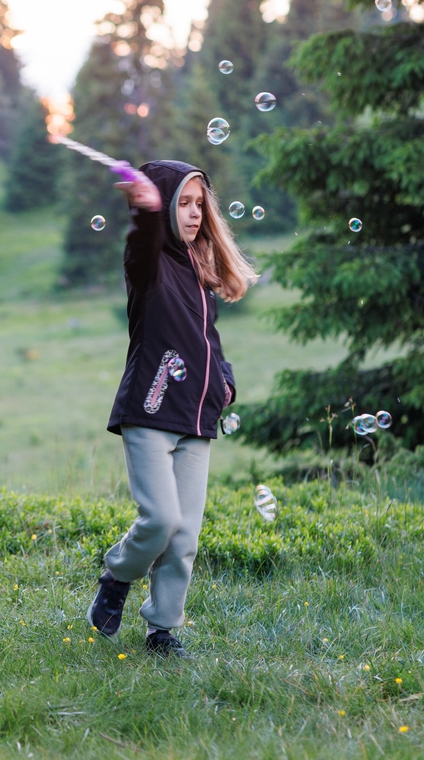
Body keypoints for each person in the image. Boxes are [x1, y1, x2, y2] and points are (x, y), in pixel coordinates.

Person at [86, 161, 257, 658]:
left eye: (200, 204)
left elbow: (209, 339)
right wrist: (145, 214)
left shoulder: (200, 271)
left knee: (184, 536)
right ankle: (117, 576)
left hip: (197, 419)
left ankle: (162, 630)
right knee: (159, 519)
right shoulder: (149, 265)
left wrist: (224, 380)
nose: (194, 214)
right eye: (183, 203)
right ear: (163, 208)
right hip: (151, 409)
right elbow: (141, 248)